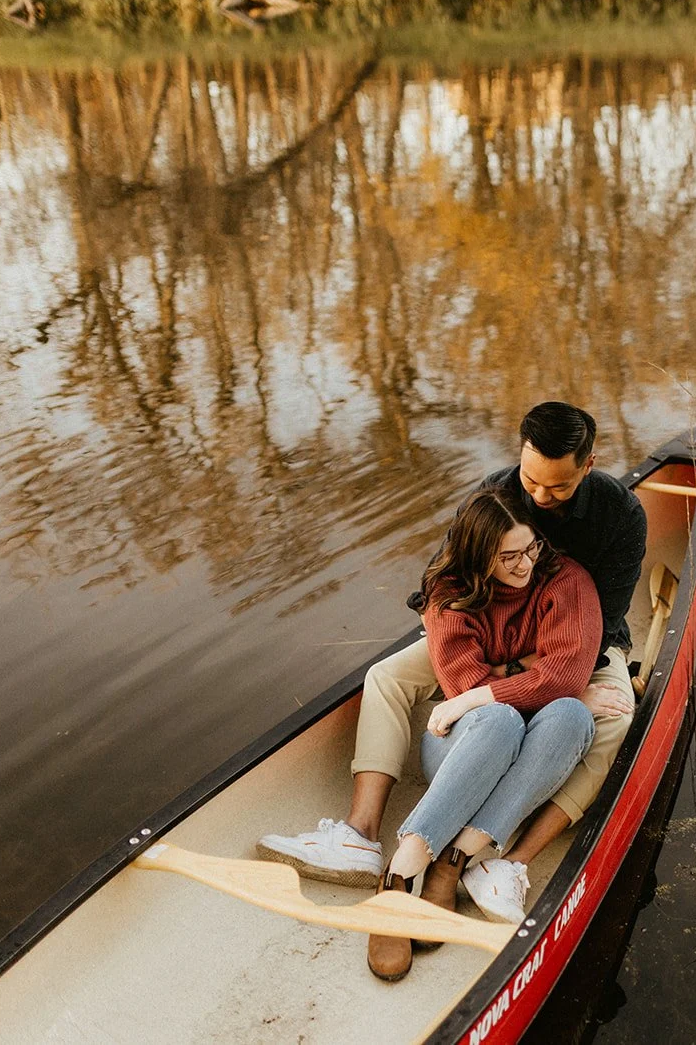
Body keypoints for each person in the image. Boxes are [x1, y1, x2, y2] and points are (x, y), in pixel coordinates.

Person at [257, 404, 647, 967]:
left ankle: (509, 859)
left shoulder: (620, 518)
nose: (537, 497)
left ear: (589, 463)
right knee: (389, 675)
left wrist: (562, 680)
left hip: (578, 635)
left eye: (555, 488)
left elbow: (599, 622)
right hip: (488, 636)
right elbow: (452, 614)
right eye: (529, 479)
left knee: (606, 713)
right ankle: (363, 836)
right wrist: (521, 681)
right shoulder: (496, 498)